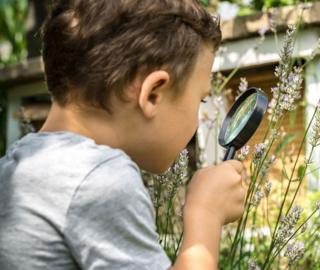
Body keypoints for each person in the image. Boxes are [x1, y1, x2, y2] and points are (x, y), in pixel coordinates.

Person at [0, 1, 246, 269]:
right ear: (153, 94)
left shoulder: (13, 170)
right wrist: (206, 214)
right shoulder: (99, 180)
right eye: (200, 100)